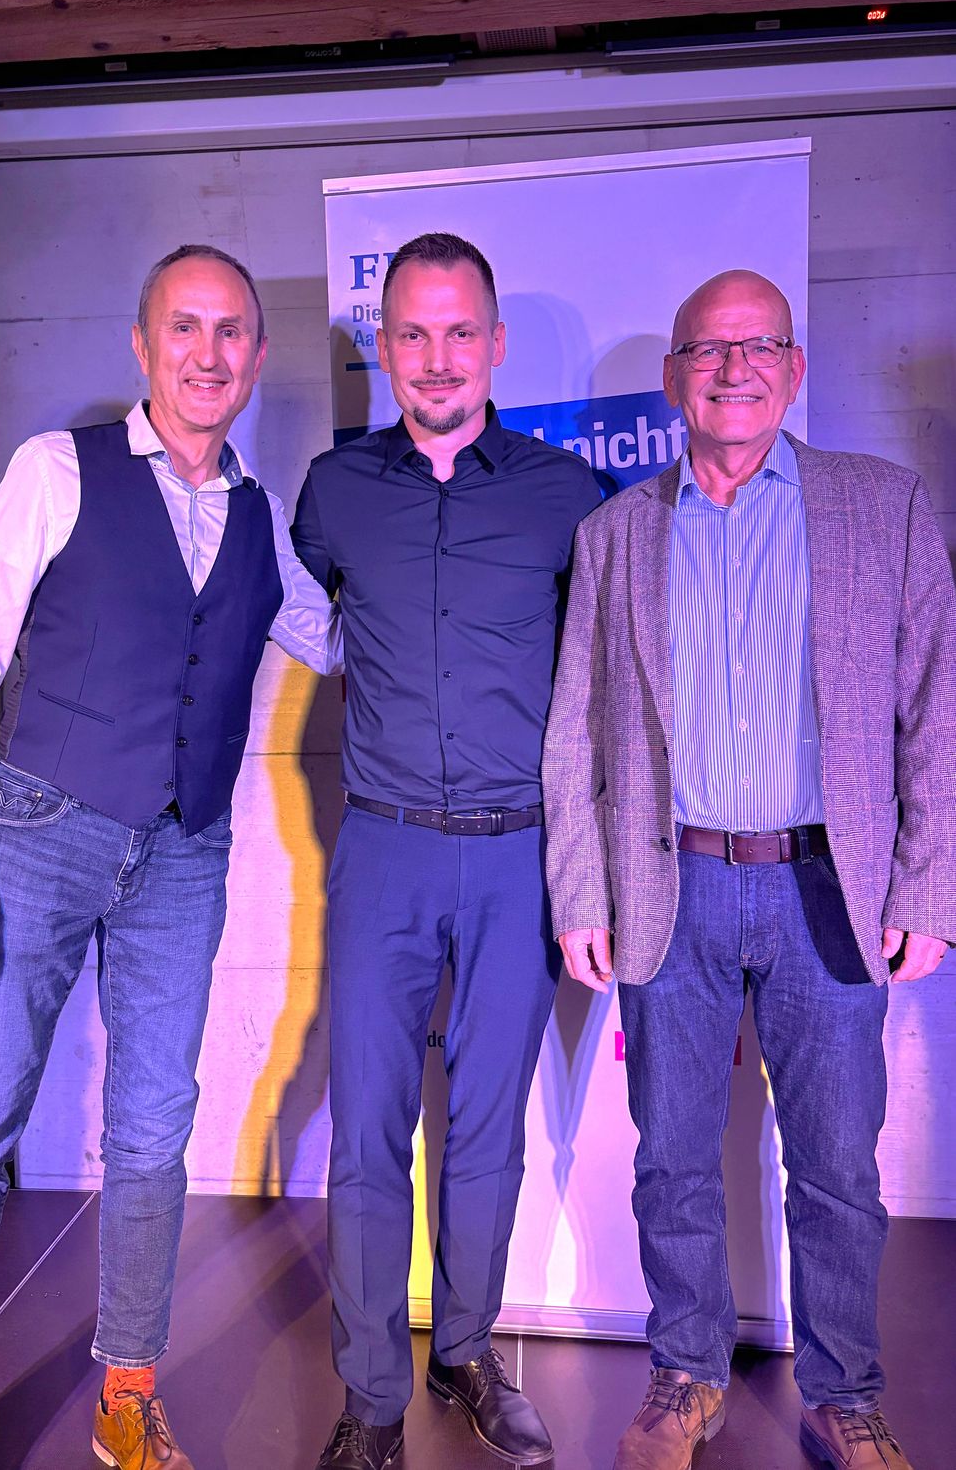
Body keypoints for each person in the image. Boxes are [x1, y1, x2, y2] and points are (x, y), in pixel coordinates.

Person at [0, 244, 342, 1470]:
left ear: (257, 355)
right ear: (144, 345)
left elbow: (339, 639)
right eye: (184, 327)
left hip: (184, 853)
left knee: (153, 1131)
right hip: (39, 835)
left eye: (232, 331)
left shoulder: (259, 517)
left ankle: (125, 1395)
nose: (209, 352)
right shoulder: (58, 470)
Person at [543, 268, 955, 1470]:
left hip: (833, 891)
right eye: (709, 351)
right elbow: (574, 732)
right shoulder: (615, 535)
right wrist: (581, 892)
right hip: (669, 890)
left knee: (837, 1166)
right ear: (674, 378)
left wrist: (929, 888)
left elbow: (937, 707)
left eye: (759, 346)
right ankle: (685, 1378)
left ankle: (845, 1393)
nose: (734, 369)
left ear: (794, 367)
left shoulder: (881, 506)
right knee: (670, 1157)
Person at [292, 231, 601, 1470]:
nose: (436, 357)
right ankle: (371, 1398)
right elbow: (298, 616)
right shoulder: (332, 492)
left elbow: (608, 681)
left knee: (485, 1130)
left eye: (459, 331)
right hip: (384, 850)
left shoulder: (567, 496)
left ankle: (464, 1351)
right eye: (412, 333)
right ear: (384, 347)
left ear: (496, 345)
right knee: (367, 1127)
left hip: (521, 857)